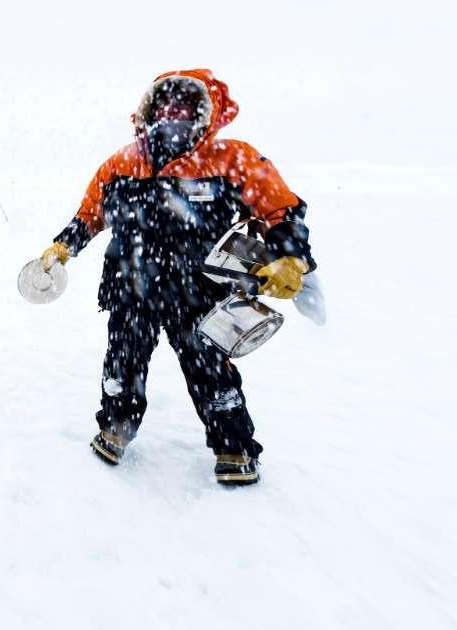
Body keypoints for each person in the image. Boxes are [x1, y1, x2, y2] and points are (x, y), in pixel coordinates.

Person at [38, 69, 316, 485]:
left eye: (186, 108)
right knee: (122, 364)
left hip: (200, 292)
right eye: (165, 107)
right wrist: (64, 246)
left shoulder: (231, 160)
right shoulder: (121, 163)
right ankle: (116, 427)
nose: (174, 115)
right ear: (148, 111)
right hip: (130, 288)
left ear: (206, 114)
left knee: (210, 371)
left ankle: (233, 448)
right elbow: (90, 214)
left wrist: (290, 258)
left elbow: (282, 210)